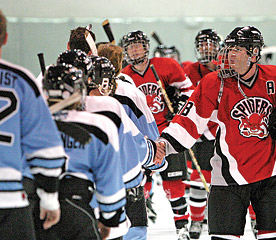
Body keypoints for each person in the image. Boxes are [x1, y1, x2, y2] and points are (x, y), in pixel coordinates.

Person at [157, 26, 276, 240]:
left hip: (272, 177)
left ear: (253, 53)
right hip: (227, 179)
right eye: (228, 49)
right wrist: (163, 145)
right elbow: (188, 121)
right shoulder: (214, 83)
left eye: (236, 50)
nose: (229, 55)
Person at [0, 7, 67, 239]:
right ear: (5, 38)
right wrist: (50, 199)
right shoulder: (21, 81)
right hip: (8, 203)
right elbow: (47, 151)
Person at [38, 63, 127, 240]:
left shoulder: (30, 124)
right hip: (77, 206)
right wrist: (110, 218)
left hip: (36, 207)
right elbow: (109, 180)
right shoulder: (99, 126)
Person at [121, 30, 195, 240]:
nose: (135, 49)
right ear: (126, 51)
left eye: (138, 45)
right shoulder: (124, 75)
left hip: (167, 135)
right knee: (140, 185)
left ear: (146, 47)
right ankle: (137, 228)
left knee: (174, 186)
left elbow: (189, 91)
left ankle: (182, 228)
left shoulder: (166, 66)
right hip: (141, 140)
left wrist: (179, 103)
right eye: (131, 46)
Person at [88, 55, 166, 240]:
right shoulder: (114, 104)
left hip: (79, 191)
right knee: (134, 231)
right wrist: (155, 156)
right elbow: (137, 144)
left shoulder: (63, 106)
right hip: (120, 186)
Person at [182, 28, 221, 239]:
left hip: (224, 135)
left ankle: (252, 219)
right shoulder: (188, 69)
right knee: (199, 180)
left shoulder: (227, 70)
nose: (206, 49)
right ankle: (196, 221)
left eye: (210, 44)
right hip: (201, 137)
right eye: (202, 45)